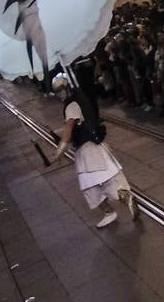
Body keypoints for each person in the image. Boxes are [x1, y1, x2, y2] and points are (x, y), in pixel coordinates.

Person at [48, 74, 136, 229]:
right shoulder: (78, 100)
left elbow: (69, 128)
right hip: (94, 147)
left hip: (87, 150)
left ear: (65, 88)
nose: (59, 94)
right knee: (102, 181)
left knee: (92, 184)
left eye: (60, 90)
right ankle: (117, 205)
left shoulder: (71, 105)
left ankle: (118, 204)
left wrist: (59, 151)